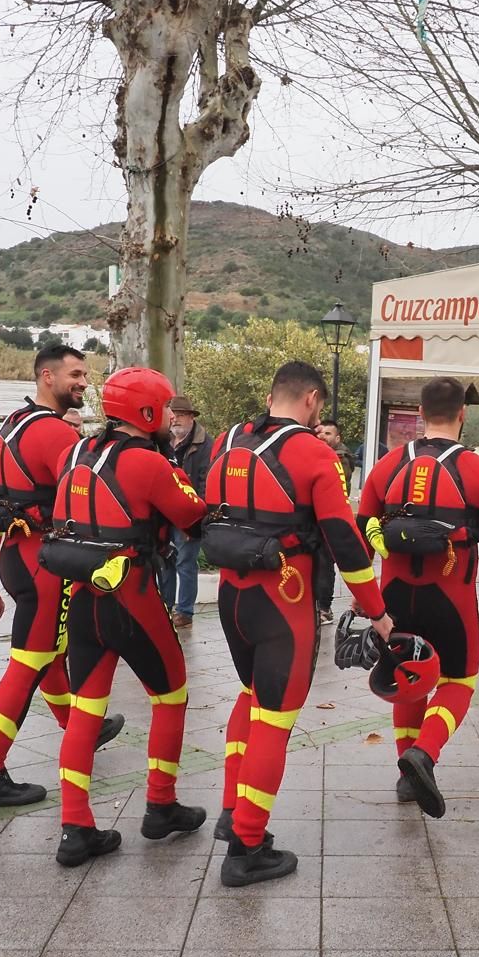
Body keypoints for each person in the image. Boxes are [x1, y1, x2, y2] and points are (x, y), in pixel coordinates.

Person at [205, 362, 393, 887]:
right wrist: (375, 610)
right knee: (275, 719)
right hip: (282, 600)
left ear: (272, 395)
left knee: (249, 696)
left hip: (230, 594)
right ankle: (246, 848)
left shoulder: (225, 441)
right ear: (312, 399)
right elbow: (346, 543)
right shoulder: (316, 454)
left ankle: (230, 809)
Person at [44, 368, 211, 866]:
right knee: (172, 693)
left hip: (83, 597)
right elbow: (193, 516)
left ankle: (76, 827)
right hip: (132, 594)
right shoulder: (150, 465)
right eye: (163, 412)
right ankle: (160, 804)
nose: (168, 421)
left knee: (86, 711)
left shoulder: (72, 452)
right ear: (147, 413)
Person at [0, 345, 123, 809]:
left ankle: (77, 728)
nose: (84, 383)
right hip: (45, 563)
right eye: (75, 374)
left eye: (86, 375)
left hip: (17, 557)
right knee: (29, 661)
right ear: (46, 377)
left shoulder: (10, 425)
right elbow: (86, 502)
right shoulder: (55, 435)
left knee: (51, 648)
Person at [360, 376, 479, 814]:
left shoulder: (387, 465)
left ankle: (405, 777)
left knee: (407, 676)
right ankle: (424, 754)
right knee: (460, 680)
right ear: (462, 416)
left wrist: (364, 596)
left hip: (394, 595)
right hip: (450, 596)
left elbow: (360, 528)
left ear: (419, 414)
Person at [157, 395, 211, 630]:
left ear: (190, 417)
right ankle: (165, 607)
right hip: (163, 513)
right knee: (165, 560)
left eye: (180, 415)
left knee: (186, 562)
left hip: (188, 514)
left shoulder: (205, 444)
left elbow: (205, 485)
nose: (175, 419)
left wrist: (195, 519)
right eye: (173, 414)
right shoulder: (163, 441)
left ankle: (185, 611)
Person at [312, 420, 357, 626]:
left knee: (324, 564)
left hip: (329, 520)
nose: (323, 436)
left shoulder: (340, 458)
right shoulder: (320, 453)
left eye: (328, 434)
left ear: (337, 438)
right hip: (315, 519)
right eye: (321, 433)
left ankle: (324, 607)